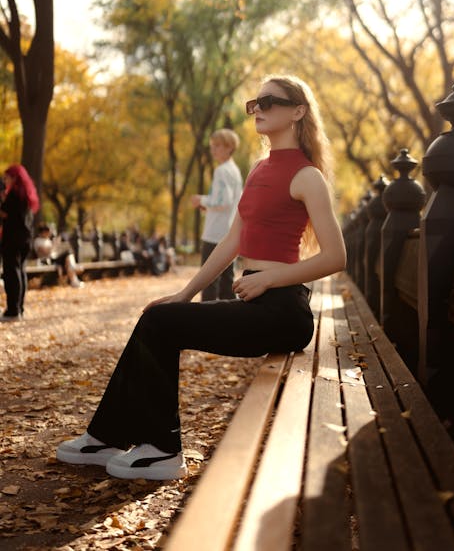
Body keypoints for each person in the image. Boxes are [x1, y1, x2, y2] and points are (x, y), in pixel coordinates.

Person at [56, 74, 347, 481]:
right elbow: (233, 239)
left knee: (160, 325)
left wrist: (270, 278)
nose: (258, 109)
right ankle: (106, 436)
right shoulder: (260, 169)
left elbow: (336, 256)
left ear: (298, 111)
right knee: (157, 316)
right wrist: (185, 292)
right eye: (254, 103)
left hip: (284, 312)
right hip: (260, 303)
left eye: (268, 101)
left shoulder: (307, 176)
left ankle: (161, 450)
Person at [191, 129, 243, 300]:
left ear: (229, 148)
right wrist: (209, 205)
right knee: (227, 282)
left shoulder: (222, 171)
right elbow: (231, 202)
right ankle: (228, 320)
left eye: (218, 146)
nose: (213, 150)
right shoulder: (234, 170)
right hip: (228, 231)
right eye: (212, 146)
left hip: (214, 234)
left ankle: (206, 322)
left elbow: (222, 201)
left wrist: (201, 200)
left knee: (208, 281)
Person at [0, 164, 40, 321]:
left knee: (12, 272)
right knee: (20, 271)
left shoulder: (15, 194)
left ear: (15, 178)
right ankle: (19, 308)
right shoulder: (26, 195)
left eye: (7, 177)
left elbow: (6, 214)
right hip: (25, 239)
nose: (5, 180)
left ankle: (13, 310)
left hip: (13, 239)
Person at [33, 224, 84, 288]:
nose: (49, 233)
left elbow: (53, 252)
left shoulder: (48, 240)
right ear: (44, 232)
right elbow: (46, 253)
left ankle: (73, 274)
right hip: (46, 261)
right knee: (68, 253)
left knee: (68, 254)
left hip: (54, 259)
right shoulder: (38, 241)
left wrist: (57, 245)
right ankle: (74, 272)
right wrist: (54, 244)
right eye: (48, 231)